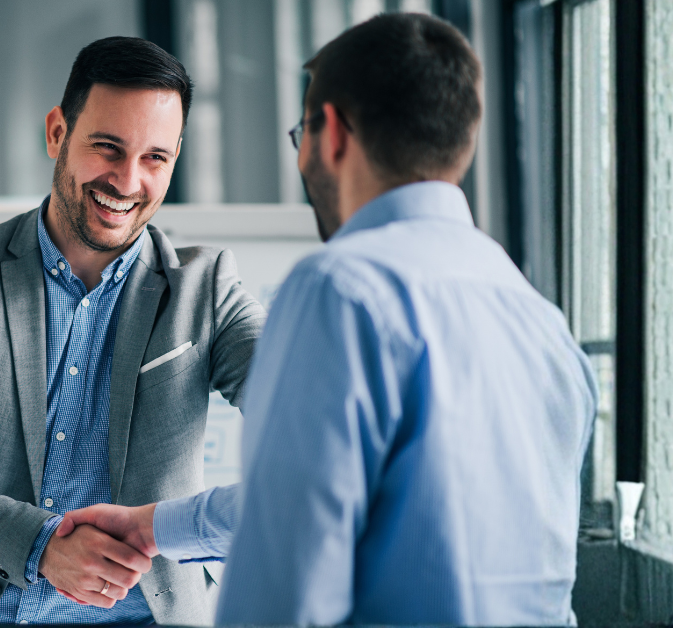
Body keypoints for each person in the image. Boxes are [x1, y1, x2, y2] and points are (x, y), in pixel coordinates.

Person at [56, 13, 597, 626]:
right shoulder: (543, 323)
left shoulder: (341, 291)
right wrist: (155, 527)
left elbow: (285, 570)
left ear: (331, 133)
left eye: (300, 133)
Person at [0, 36, 265, 626]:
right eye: (108, 147)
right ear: (57, 133)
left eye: (156, 158)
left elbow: (309, 419)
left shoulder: (206, 289)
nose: (128, 181)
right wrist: (40, 545)